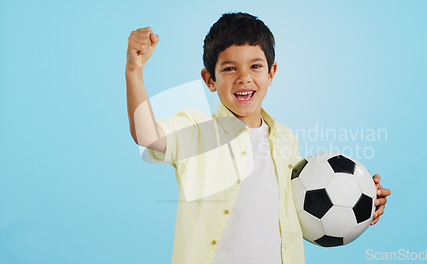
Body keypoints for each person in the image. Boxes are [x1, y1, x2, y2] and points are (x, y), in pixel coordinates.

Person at [126, 12, 391, 264]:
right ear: (210, 79)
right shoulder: (196, 131)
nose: (244, 78)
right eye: (229, 69)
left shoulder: (286, 140)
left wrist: (360, 196)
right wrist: (134, 71)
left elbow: (299, 212)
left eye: (255, 66)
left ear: (271, 73)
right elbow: (146, 135)